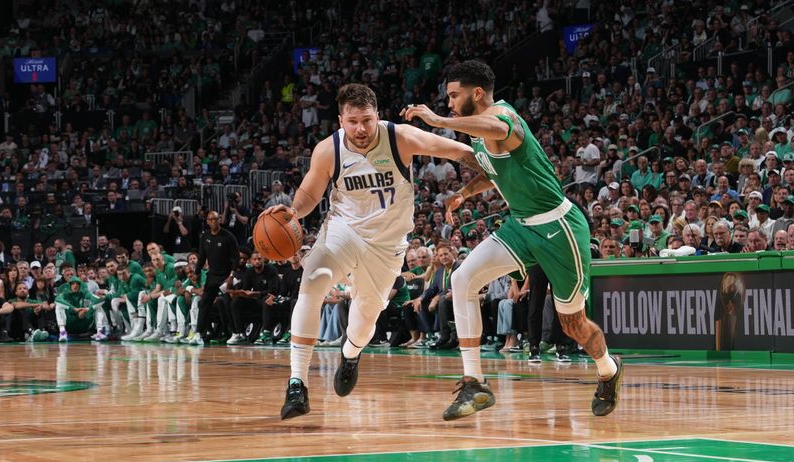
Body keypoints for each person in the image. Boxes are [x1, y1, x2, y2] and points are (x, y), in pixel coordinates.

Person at [402, 60, 622, 420]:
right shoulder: (478, 131)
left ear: (477, 94)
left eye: (454, 96)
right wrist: (464, 193)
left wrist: (439, 122)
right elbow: (493, 171)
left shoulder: (504, 117)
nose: (450, 103)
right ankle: (474, 383)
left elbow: (497, 127)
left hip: (558, 228)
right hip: (520, 226)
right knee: (462, 278)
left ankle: (609, 369)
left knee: (573, 324)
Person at [264, 83, 486, 420]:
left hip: (387, 245)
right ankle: (297, 384)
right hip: (344, 231)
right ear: (341, 120)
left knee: (366, 316)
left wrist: (495, 166)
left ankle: (350, 354)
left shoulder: (400, 137)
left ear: (377, 116)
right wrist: (293, 212)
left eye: (367, 120)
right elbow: (309, 195)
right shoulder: (329, 150)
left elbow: (457, 151)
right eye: (352, 121)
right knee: (314, 280)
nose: (361, 129)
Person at [190, 211, 239, 345]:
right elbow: (202, 256)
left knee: (228, 303)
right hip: (212, 275)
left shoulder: (228, 236)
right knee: (204, 303)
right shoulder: (205, 236)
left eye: (216, 219)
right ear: (207, 221)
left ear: (220, 220)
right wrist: (197, 271)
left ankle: (235, 333)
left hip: (226, 276)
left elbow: (236, 257)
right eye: (210, 219)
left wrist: (231, 276)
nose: (213, 222)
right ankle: (199, 333)